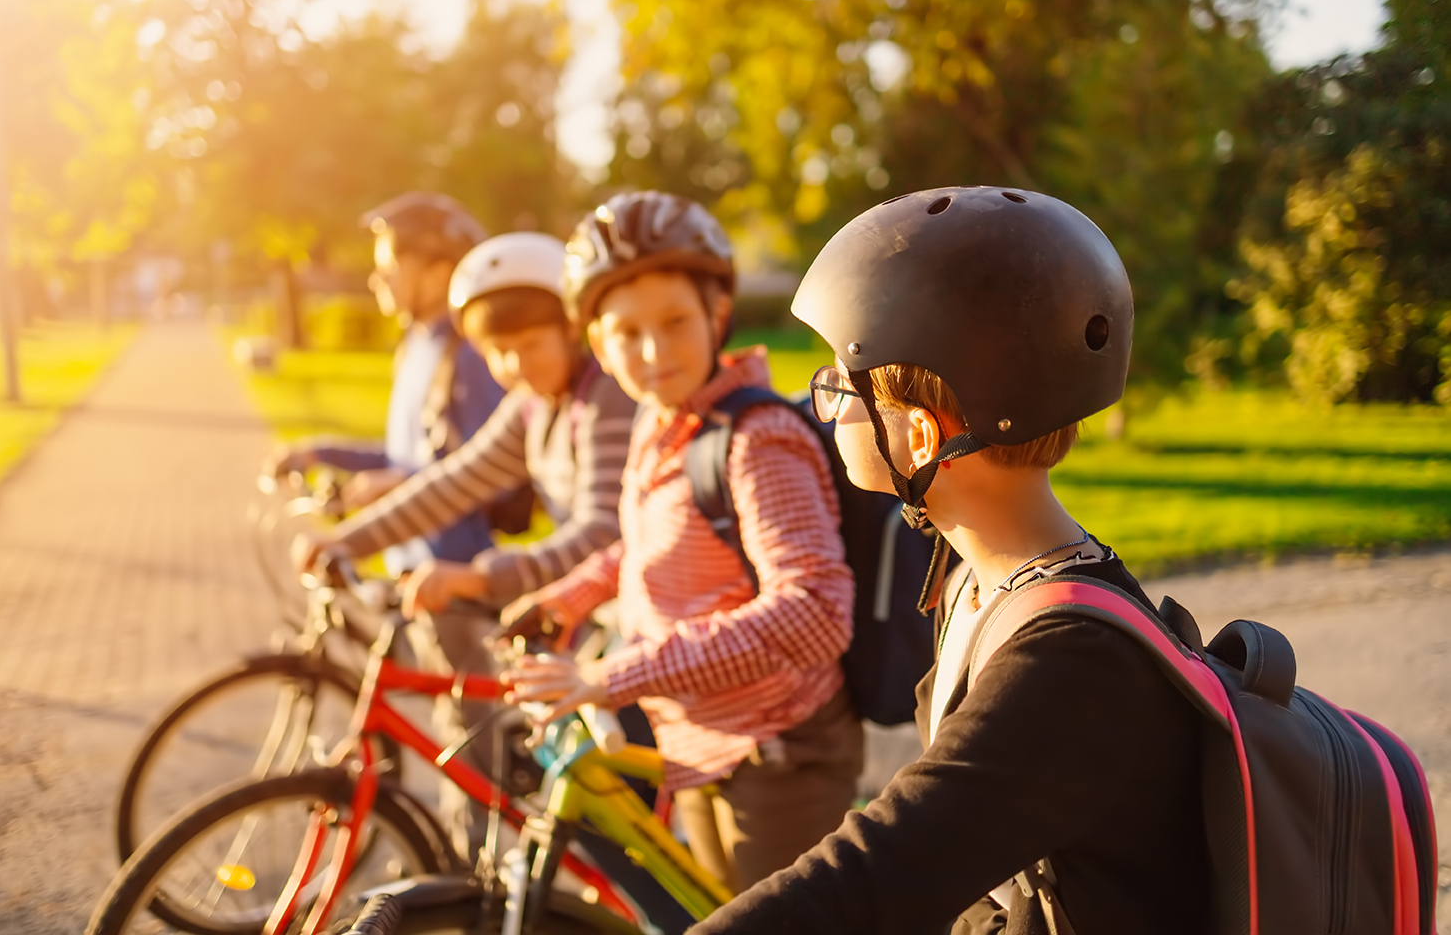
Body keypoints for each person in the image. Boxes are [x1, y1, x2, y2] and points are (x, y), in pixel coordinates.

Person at [684, 187, 1207, 935]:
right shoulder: (976, 580)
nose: (826, 403)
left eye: (840, 383)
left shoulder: (1070, 660)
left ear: (922, 439)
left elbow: (880, 872)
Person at [500, 191, 862, 895]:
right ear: (598, 347)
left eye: (675, 323)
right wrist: (564, 599)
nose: (655, 351)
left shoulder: (756, 442)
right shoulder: (661, 421)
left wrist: (610, 677)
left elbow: (815, 611)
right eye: (627, 333)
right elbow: (642, 545)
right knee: (711, 906)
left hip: (778, 752)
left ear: (717, 316)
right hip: (699, 740)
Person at [291, 230, 638, 859]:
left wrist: (481, 576)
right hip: (599, 616)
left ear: (572, 325)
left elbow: (604, 533)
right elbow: (451, 484)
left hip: (644, 628)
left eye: (530, 345)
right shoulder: (536, 403)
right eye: (496, 353)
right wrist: (347, 540)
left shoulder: (607, 395)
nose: (514, 368)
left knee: (616, 828)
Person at [264, 191, 507, 576]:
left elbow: (490, 477)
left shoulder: (469, 359)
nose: (377, 279)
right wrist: (319, 452)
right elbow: (402, 456)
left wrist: (399, 484)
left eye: (390, 267)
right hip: (404, 566)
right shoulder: (414, 345)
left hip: (451, 576)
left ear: (439, 274)